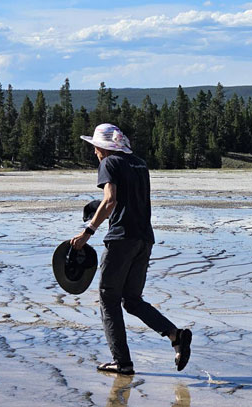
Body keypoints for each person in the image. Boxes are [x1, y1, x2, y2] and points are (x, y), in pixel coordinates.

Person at [70, 123, 192, 375]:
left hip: (121, 240)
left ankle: (122, 362)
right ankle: (175, 335)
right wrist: (96, 207)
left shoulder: (109, 164)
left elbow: (111, 200)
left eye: (95, 147)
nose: (94, 152)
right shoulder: (139, 163)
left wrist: (88, 231)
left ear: (104, 147)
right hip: (144, 238)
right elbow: (127, 199)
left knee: (108, 297)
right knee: (132, 300)